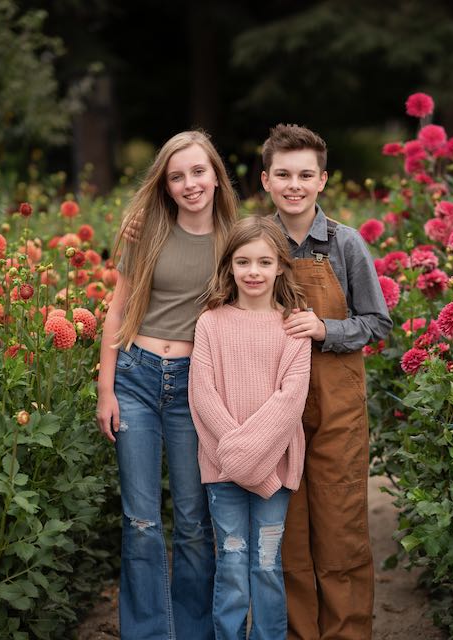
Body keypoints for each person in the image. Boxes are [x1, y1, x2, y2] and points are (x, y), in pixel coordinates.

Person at [96, 130, 238, 640]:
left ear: (216, 176)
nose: (189, 184)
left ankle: (195, 632)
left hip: (193, 386)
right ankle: (148, 633)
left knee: (194, 523)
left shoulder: (234, 241)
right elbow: (117, 311)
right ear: (166, 185)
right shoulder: (148, 233)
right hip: (135, 378)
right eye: (177, 176)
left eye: (198, 172)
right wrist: (106, 390)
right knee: (140, 520)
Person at [260, 124, 393, 640]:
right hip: (275, 408)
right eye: (284, 175)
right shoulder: (256, 241)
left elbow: (377, 322)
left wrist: (325, 329)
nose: (294, 185)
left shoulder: (346, 243)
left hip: (337, 406)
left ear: (322, 180)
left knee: (340, 532)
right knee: (288, 537)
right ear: (267, 180)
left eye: (305, 175)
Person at [188, 216, 312, 640]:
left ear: (280, 267)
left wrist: (248, 460)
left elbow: (290, 400)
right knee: (232, 563)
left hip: (275, 471)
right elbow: (203, 395)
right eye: (243, 262)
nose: (253, 272)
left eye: (264, 262)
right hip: (222, 471)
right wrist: (240, 458)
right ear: (229, 265)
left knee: (266, 563)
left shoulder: (293, 326)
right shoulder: (211, 322)